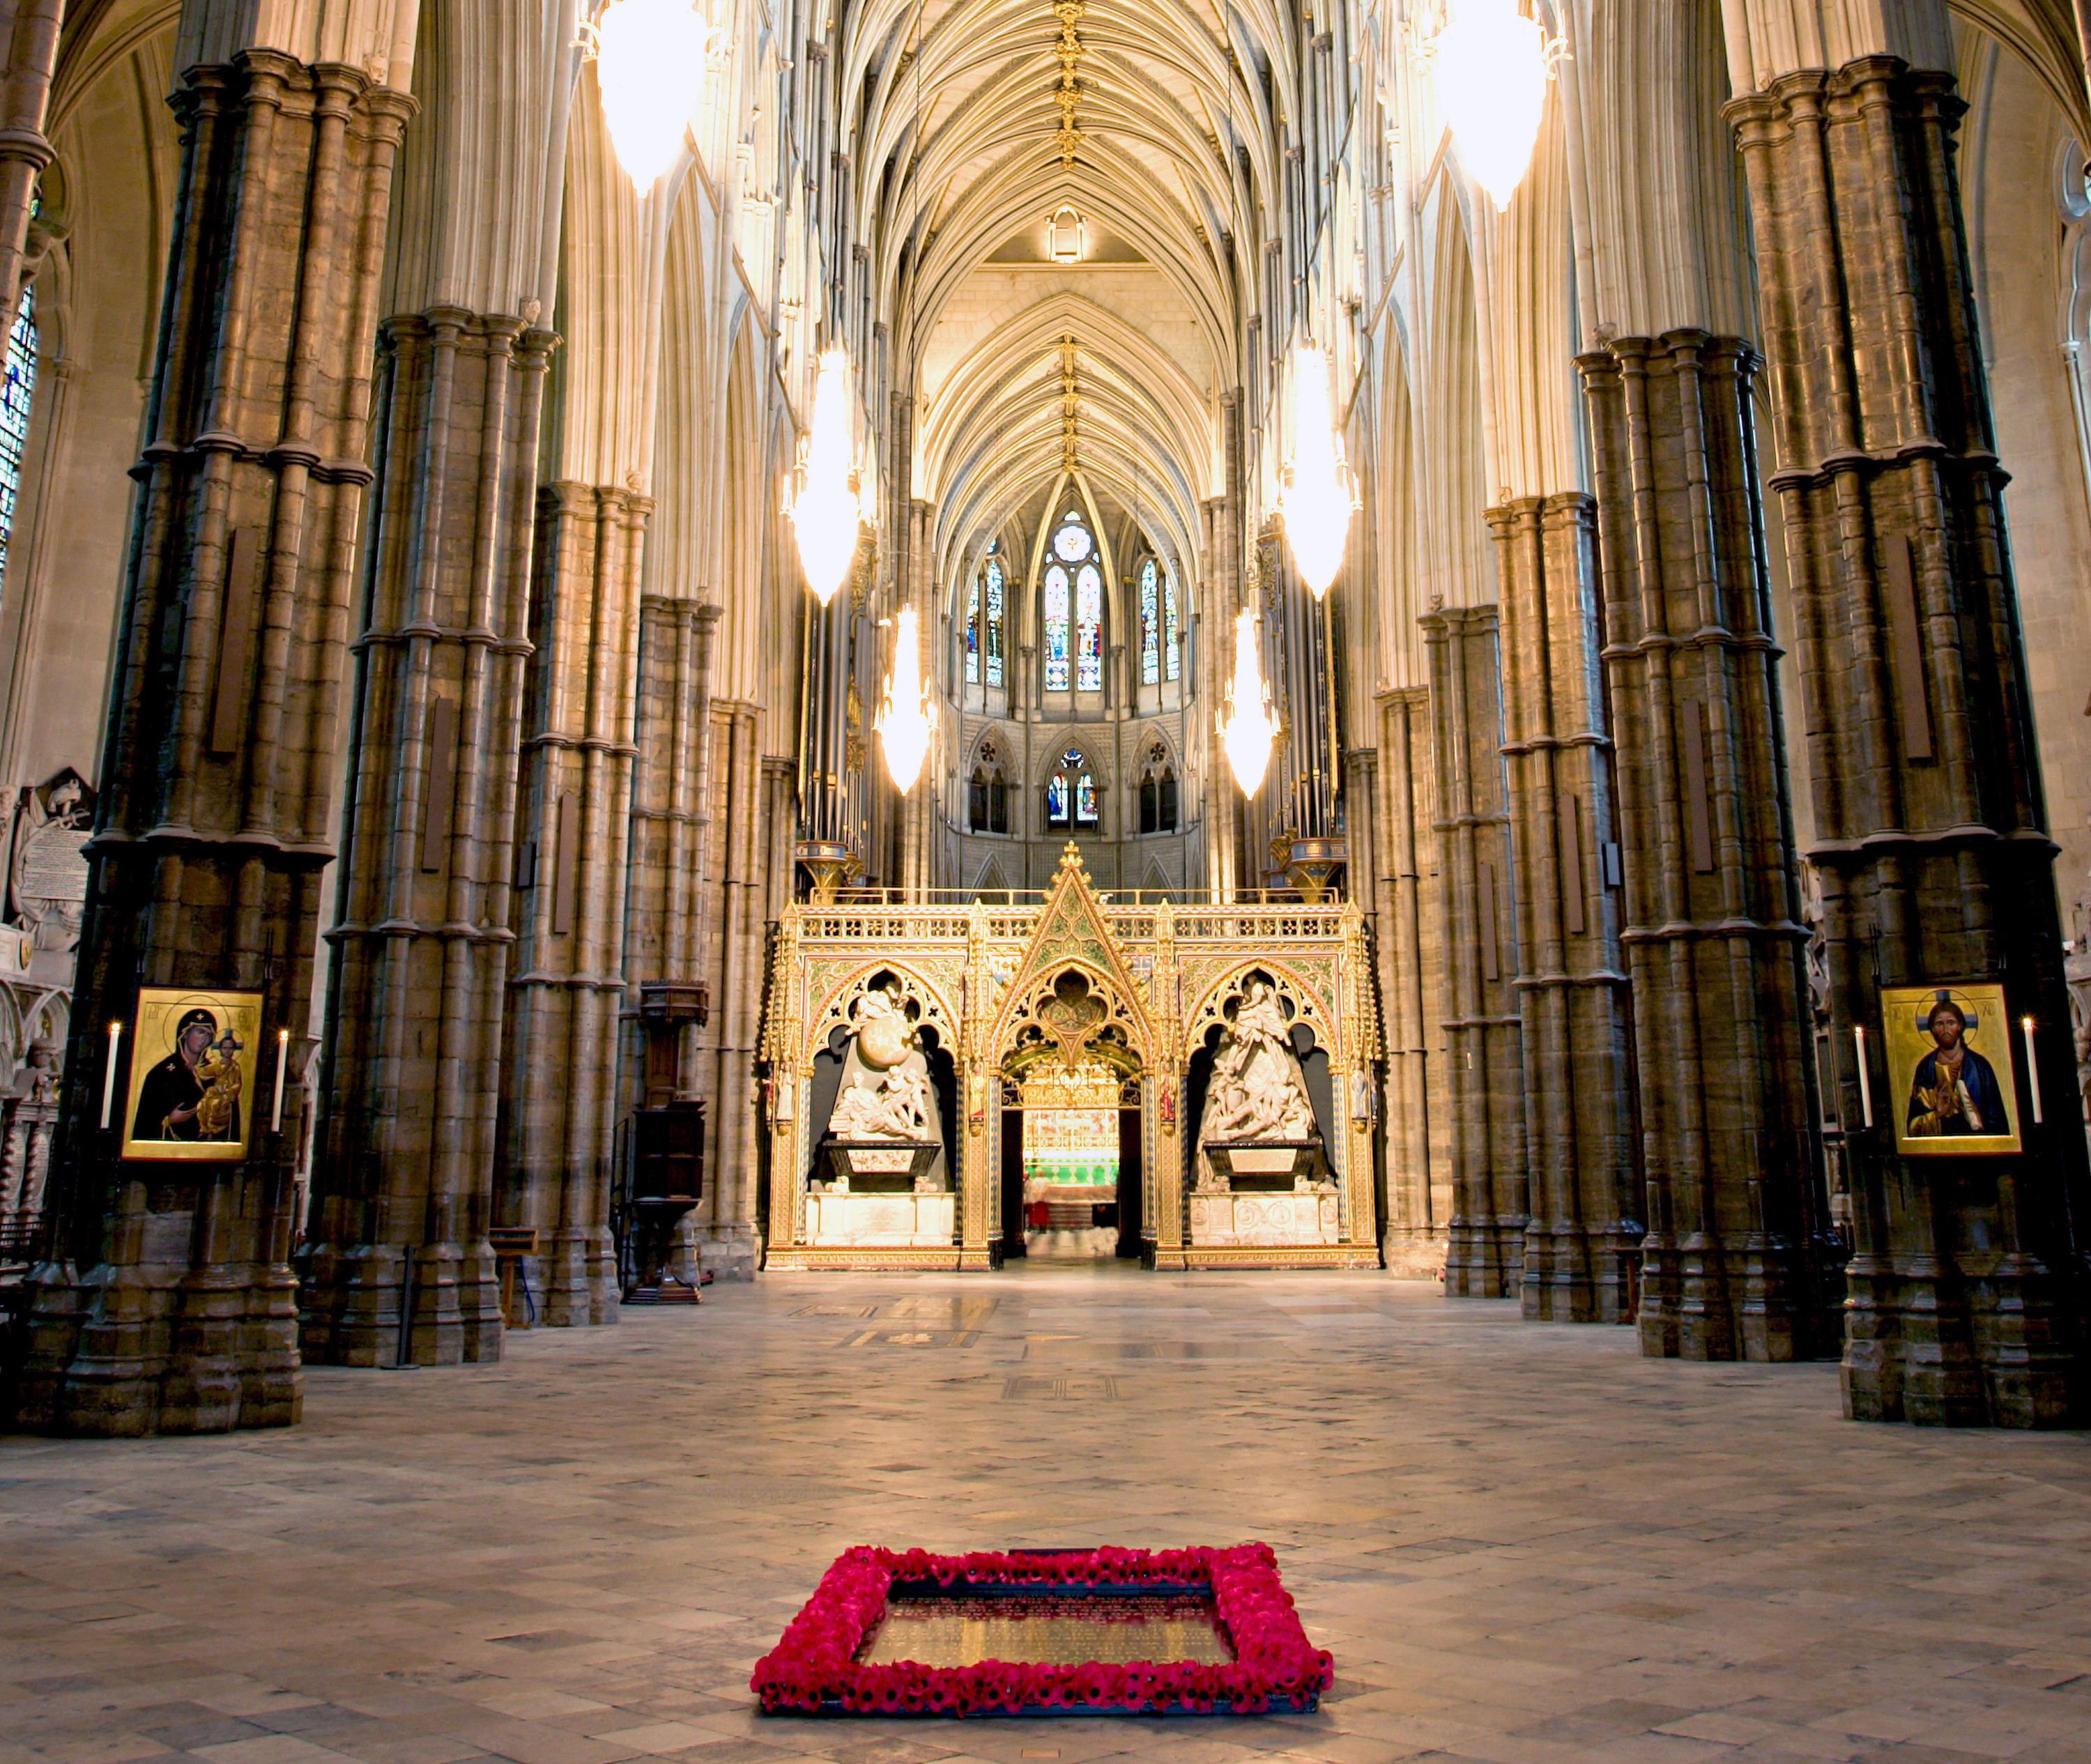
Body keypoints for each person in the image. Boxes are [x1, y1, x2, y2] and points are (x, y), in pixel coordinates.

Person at [1906, 998, 2009, 1139]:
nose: (1945, 1029)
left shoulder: (1980, 1067)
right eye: (1939, 1024)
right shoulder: (1926, 1068)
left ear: (1960, 1026)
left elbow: (1999, 1123)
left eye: (1951, 1023)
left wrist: (1978, 1120)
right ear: (1932, 1030)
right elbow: (1913, 1128)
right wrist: (1938, 1114)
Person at [132, 1008, 231, 1142]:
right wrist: (169, 1120)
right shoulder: (161, 1074)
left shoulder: (216, 1073)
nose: (204, 1038)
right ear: (185, 1033)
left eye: (209, 1035)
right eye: (200, 1032)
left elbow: (229, 1120)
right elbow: (145, 1123)